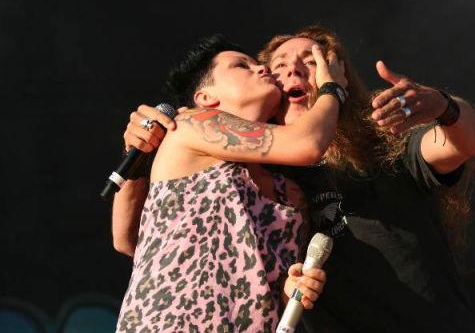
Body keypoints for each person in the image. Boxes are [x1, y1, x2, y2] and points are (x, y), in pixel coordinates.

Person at [125, 26, 475, 332]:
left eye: (312, 62)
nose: (293, 71)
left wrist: (444, 106)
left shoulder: (385, 145)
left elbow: (470, 141)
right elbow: (144, 238)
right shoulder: (262, 182)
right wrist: (142, 150)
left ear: (339, 78)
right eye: (279, 66)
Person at [112, 34, 347, 332]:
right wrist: (332, 89)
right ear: (206, 97)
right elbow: (308, 143)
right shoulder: (191, 125)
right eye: (241, 66)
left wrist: (293, 287)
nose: (261, 69)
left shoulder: (290, 194)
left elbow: (269, 288)